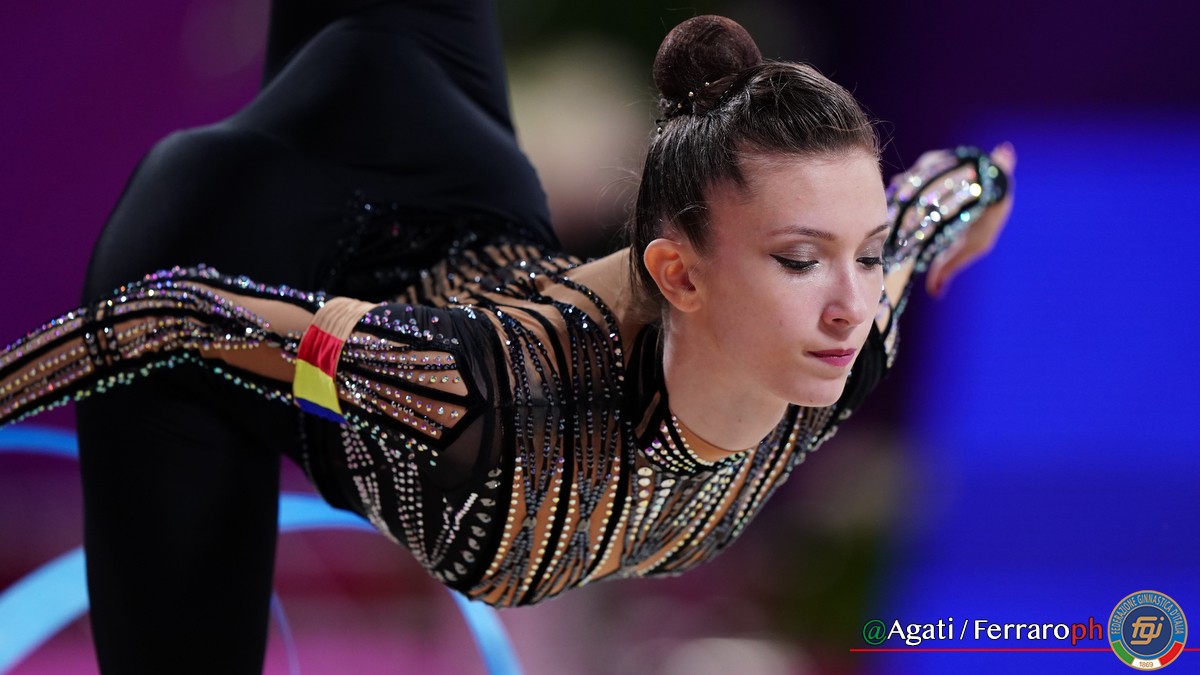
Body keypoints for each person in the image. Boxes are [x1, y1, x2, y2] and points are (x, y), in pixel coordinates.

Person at [0, 8, 1014, 674]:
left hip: (447, 165)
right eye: (800, 260)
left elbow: (941, 194)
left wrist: (988, 184)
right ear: (680, 275)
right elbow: (173, 318)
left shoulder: (842, 343)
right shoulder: (493, 396)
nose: (852, 302)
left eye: (865, 256)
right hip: (226, 236)